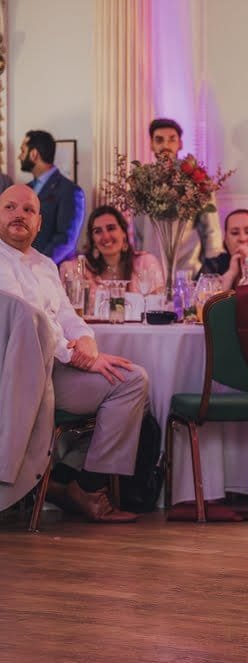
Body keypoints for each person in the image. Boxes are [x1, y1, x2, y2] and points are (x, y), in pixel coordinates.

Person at [0, 184, 148, 522]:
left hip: (51, 368)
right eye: (10, 207)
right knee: (128, 381)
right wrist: (76, 356)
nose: (19, 215)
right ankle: (77, 484)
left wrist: (85, 340)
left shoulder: (45, 264)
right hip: (17, 375)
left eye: (28, 210)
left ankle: (76, 481)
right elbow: (27, 321)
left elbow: (65, 313)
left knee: (134, 384)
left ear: (39, 223)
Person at [134, 118, 223, 276]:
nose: (165, 146)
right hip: (150, 270)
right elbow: (138, 231)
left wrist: (212, 267)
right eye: (159, 140)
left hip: (188, 269)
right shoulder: (142, 180)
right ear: (151, 144)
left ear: (180, 143)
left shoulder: (196, 179)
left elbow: (211, 228)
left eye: (172, 139)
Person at [59, 206, 164, 315]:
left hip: (139, 331)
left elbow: (157, 306)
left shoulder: (145, 264)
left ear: (124, 233)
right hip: (92, 331)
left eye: (111, 228)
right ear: (93, 240)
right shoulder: (77, 269)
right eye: (98, 231)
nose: (105, 236)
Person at [18, 130, 86, 264]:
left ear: (34, 154)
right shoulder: (24, 189)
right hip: (20, 274)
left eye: (22, 151)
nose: (19, 156)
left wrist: (38, 266)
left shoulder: (70, 191)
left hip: (51, 274)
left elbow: (66, 240)